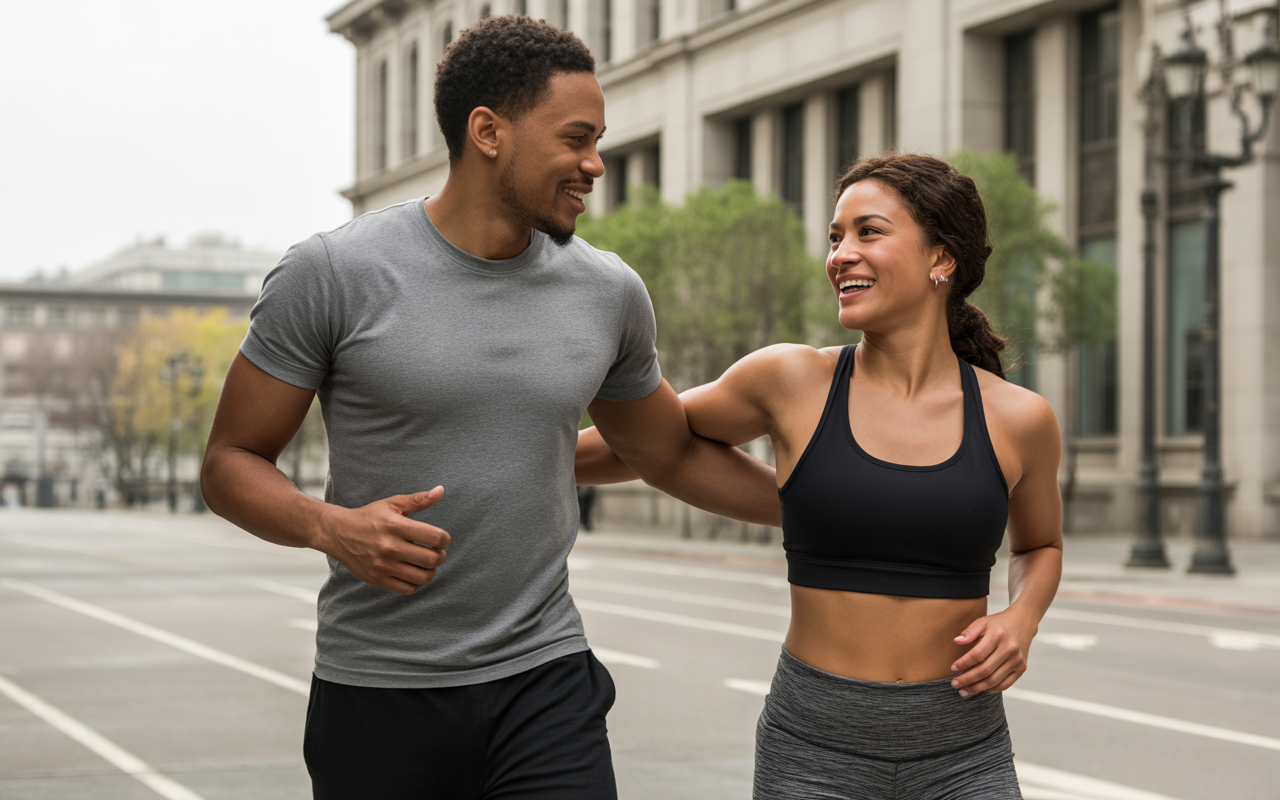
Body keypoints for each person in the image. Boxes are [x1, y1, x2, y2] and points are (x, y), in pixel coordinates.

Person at [200, 16, 779, 800]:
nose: (595, 164)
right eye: (576, 139)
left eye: (599, 141)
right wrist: (329, 527)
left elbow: (665, 451)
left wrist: (826, 508)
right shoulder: (332, 273)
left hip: (544, 679)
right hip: (378, 689)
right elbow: (229, 462)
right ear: (488, 132)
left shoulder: (608, 292)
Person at [577, 153, 1063, 799]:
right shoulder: (791, 380)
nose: (840, 254)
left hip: (964, 752)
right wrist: (530, 453)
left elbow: (1040, 545)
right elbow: (650, 439)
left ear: (941, 258)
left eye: (869, 232)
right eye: (835, 237)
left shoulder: (1020, 418)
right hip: (813, 749)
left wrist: (1022, 617)